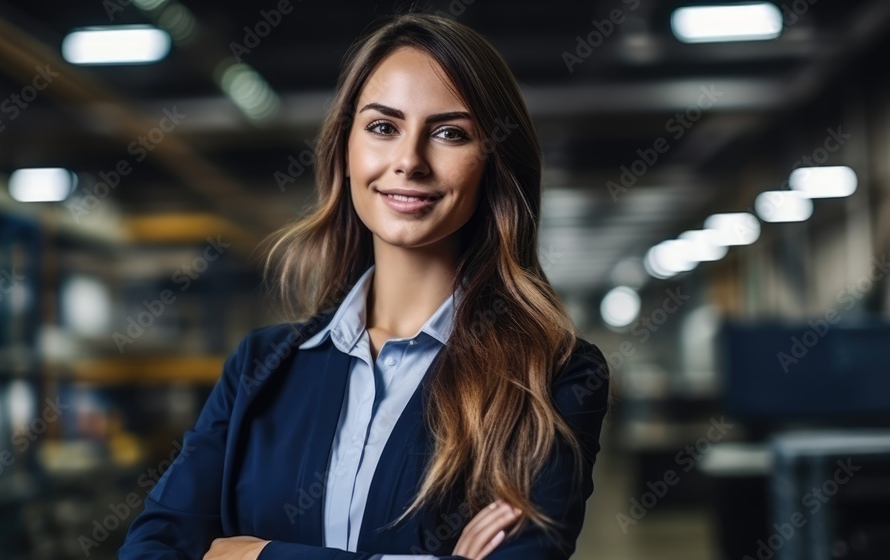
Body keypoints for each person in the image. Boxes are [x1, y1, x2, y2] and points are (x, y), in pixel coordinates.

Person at [119, 12, 612, 560]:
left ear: (493, 161)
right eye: (383, 127)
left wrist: (258, 555)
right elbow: (152, 547)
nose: (409, 161)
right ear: (346, 149)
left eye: (450, 133)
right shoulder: (259, 368)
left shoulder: (553, 374)